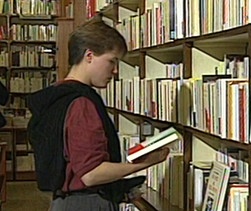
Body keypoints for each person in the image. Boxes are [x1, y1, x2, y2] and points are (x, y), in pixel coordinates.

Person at [26, 19, 170, 211]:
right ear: (89, 55)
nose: (115, 70)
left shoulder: (58, 95)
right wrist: (147, 163)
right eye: (112, 61)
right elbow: (91, 174)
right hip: (88, 203)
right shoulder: (81, 103)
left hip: (64, 201)